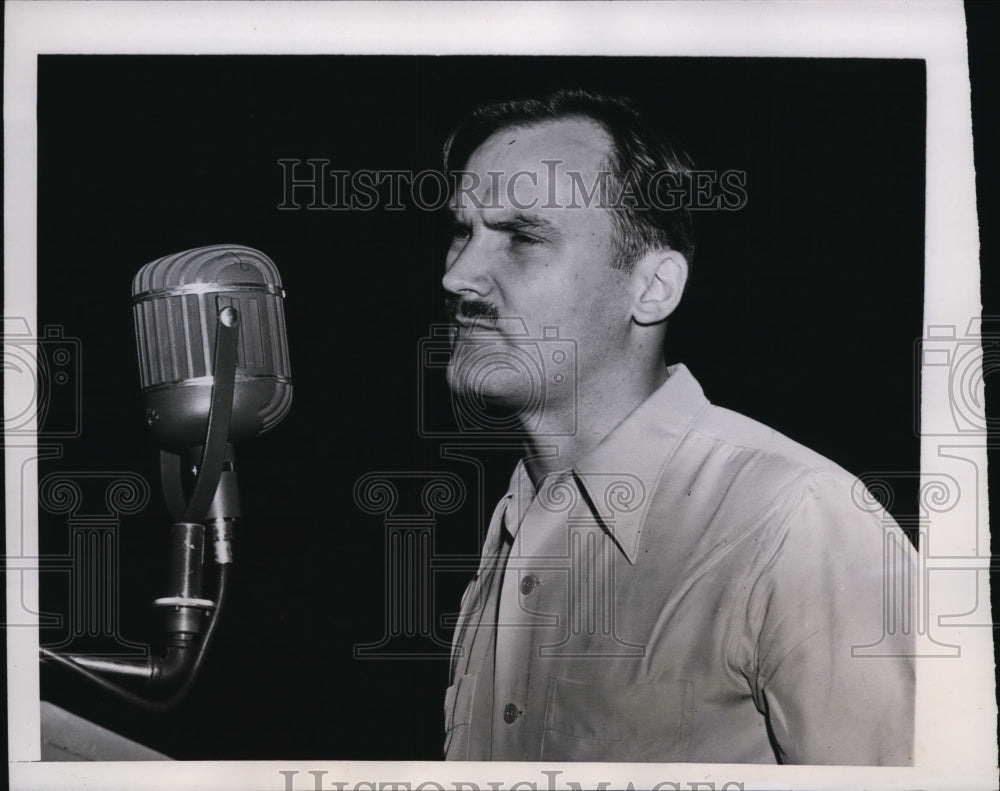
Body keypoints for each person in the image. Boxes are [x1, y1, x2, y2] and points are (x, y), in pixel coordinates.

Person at [440, 89, 914, 765]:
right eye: (463, 230)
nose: (457, 275)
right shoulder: (509, 537)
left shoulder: (794, 520)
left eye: (522, 237)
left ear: (653, 287)